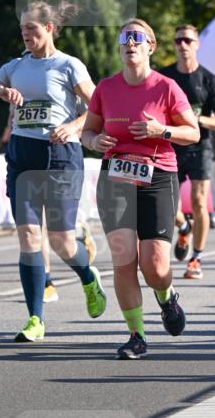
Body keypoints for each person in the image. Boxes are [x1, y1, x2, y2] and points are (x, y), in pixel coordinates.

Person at [0, 1, 106, 342]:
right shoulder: (14, 67)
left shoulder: (69, 65)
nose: (26, 34)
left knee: (62, 242)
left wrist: (74, 126)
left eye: (32, 29)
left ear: (49, 28)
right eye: (22, 29)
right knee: (28, 238)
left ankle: (87, 275)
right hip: (23, 156)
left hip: (61, 156)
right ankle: (35, 318)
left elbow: (100, 106)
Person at [82, 18, 199, 358]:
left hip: (156, 176)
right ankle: (136, 335)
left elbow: (192, 132)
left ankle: (166, 297)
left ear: (150, 46)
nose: (130, 43)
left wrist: (161, 130)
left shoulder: (166, 87)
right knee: (123, 258)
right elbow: (87, 132)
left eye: (138, 38)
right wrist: (95, 139)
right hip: (116, 177)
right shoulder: (106, 88)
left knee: (155, 264)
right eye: (125, 38)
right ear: (120, 48)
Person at [159, 24, 215, 279]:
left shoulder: (208, 79)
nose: (183, 45)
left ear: (197, 44)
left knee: (199, 201)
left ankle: (196, 258)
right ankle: (183, 225)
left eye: (188, 40)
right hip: (170, 147)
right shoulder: (164, 78)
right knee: (167, 203)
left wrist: (196, 122)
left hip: (200, 147)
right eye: (178, 41)